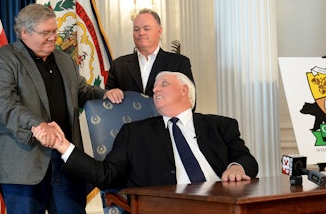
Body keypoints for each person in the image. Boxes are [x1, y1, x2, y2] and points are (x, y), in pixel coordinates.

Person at [0, 4, 123, 214]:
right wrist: (39, 125)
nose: (53, 38)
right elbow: (4, 105)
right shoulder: (2, 60)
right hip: (24, 165)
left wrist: (103, 94)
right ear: (25, 33)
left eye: (54, 31)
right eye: (46, 33)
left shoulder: (63, 58)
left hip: (67, 160)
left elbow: (80, 90)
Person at [33, 71, 258, 191]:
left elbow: (246, 159)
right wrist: (62, 145)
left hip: (223, 201)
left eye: (163, 84)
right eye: (155, 86)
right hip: (167, 206)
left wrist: (236, 167)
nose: (155, 89)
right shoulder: (134, 133)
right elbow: (106, 175)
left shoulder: (221, 125)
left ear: (184, 90)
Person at [105, 9, 195, 99]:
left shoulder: (179, 63)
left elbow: (190, 100)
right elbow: (106, 102)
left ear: (159, 31)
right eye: (136, 29)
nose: (141, 33)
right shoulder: (118, 65)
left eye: (146, 29)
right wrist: (110, 93)